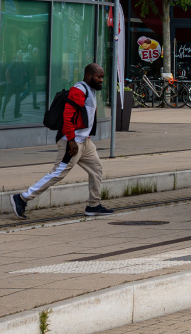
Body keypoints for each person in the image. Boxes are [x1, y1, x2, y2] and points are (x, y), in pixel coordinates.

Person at [10, 64, 114, 219]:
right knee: (57, 173)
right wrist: (71, 140)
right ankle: (22, 198)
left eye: (102, 77)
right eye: (99, 77)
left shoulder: (91, 89)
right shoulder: (79, 90)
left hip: (85, 142)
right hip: (71, 142)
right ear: (88, 75)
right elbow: (68, 116)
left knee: (96, 169)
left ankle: (94, 206)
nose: (101, 80)